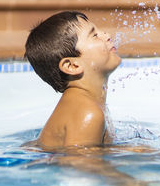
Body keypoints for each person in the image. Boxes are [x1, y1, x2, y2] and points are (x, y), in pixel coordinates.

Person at [24, 11, 121, 149]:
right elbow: (78, 167)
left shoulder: (87, 105)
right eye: (94, 35)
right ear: (72, 66)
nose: (107, 36)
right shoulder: (88, 113)